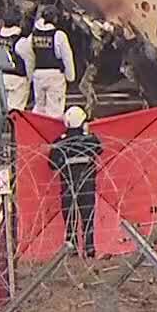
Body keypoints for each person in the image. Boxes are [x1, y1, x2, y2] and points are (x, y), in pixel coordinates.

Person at [47, 106, 104, 257]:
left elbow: (52, 164)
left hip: (68, 185)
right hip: (87, 184)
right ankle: (90, 247)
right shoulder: (90, 140)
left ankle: (71, 246)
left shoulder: (61, 142)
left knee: (70, 217)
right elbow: (99, 149)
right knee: (88, 216)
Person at [28, 8, 77, 117]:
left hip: (38, 75)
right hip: (55, 76)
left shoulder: (33, 35)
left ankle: (36, 131)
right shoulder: (59, 35)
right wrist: (70, 77)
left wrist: (30, 75)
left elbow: (29, 54)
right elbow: (67, 57)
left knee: (39, 108)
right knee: (55, 110)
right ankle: (52, 133)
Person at [0, 9, 32, 112]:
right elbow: (29, 61)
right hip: (18, 79)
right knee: (16, 112)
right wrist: (30, 79)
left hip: (0, 77)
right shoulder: (20, 40)